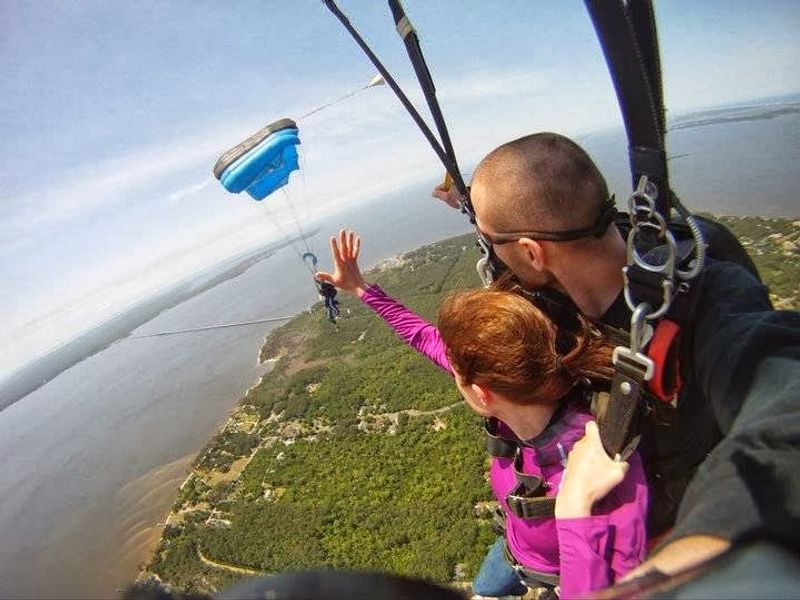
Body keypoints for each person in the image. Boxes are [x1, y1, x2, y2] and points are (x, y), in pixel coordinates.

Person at [429, 132, 800, 577]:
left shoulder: (706, 305)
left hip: (643, 547)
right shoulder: (552, 273)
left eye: (493, 243)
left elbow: (787, 402)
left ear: (531, 251)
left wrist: (688, 563)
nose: (492, 256)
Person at [317, 230, 648, 598]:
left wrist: (573, 511)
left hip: (561, 575)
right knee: (485, 590)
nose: (448, 365)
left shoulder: (600, 464)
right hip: (514, 549)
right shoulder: (519, 386)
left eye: (455, 369)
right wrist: (361, 287)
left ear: (481, 394)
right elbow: (424, 337)